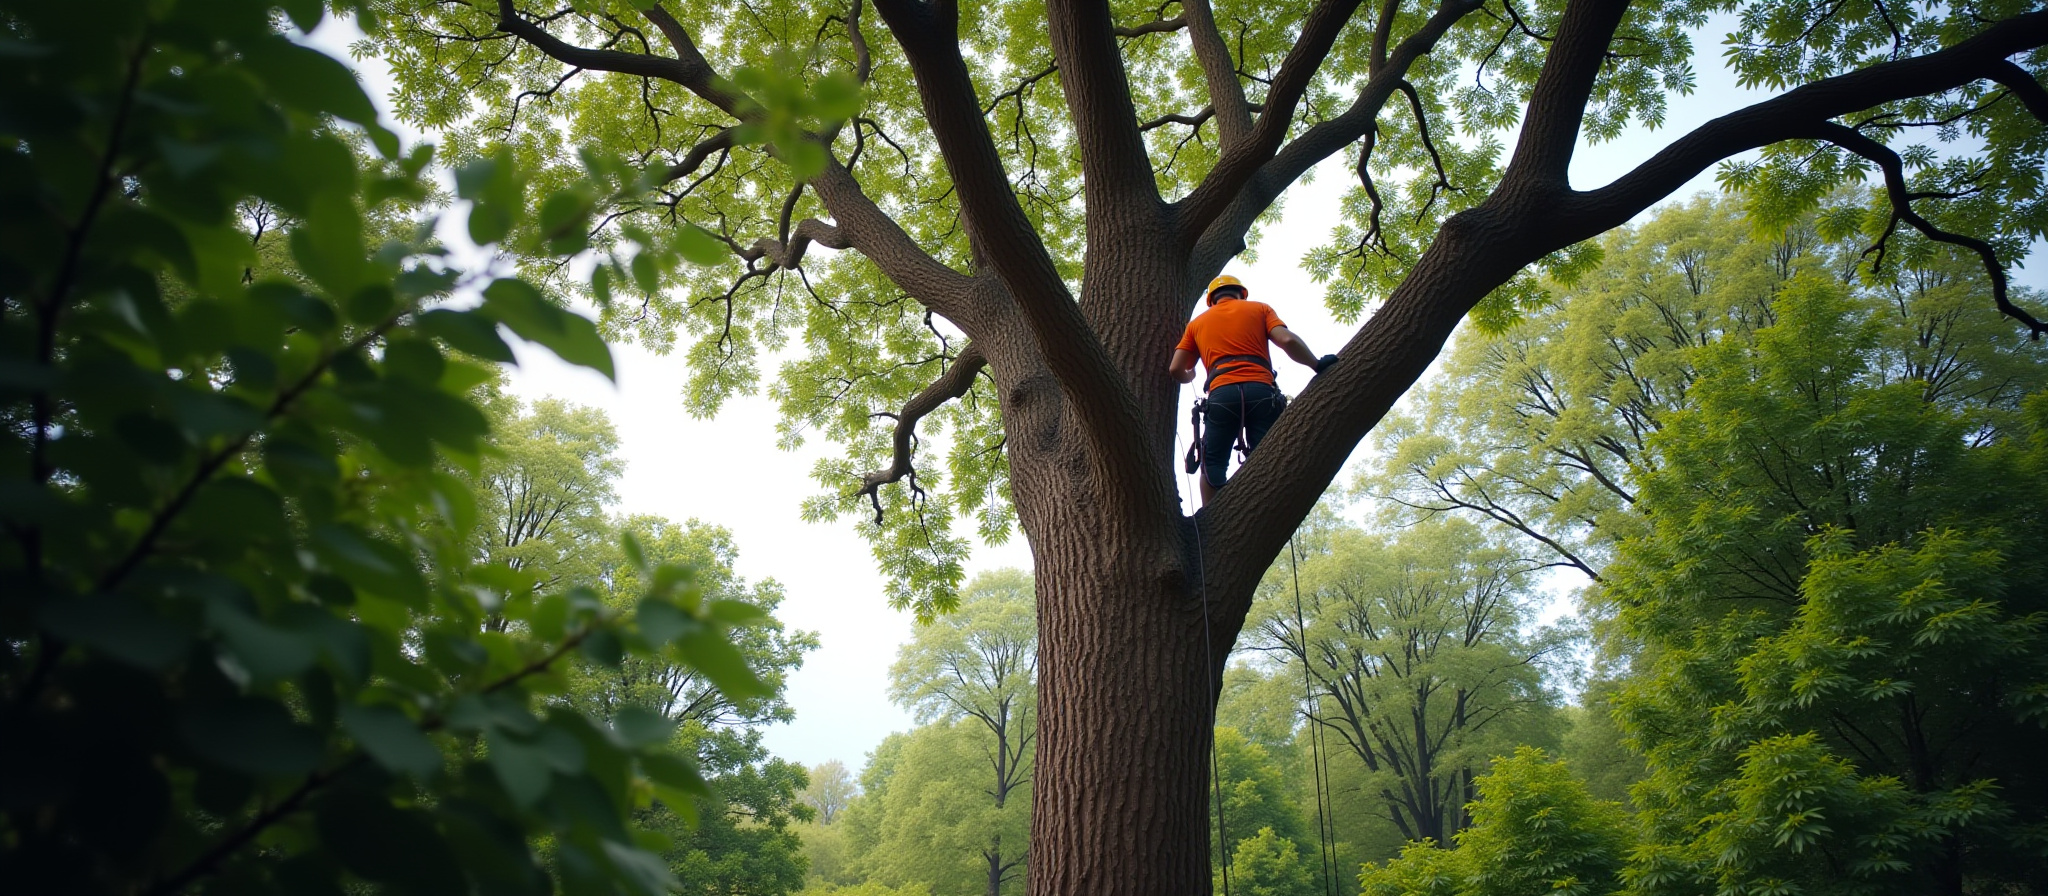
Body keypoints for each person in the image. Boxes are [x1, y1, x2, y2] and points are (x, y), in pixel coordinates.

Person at [1168, 275, 1336, 504]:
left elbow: (1176, 368)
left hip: (1221, 396)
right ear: (1241, 293)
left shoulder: (1197, 324)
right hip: (1261, 392)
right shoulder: (1260, 309)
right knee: (1267, 460)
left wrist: (1191, 375)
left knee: (1213, 464)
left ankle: (1211, 519)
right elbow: (1286, 340)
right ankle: (1265, 506)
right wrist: (1315, 364)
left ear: (1212, 299)